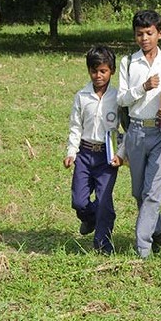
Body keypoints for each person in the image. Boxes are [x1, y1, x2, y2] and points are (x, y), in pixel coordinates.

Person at [117, 9, 161, 258]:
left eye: (149, 33)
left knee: (152, 192)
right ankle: (159, 224)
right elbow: (121, 98)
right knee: (139, 192)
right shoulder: (128, 63)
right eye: (139, 34)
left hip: (160, 133)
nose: (144, 38)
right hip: (135, 132)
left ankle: (143, 247)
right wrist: (143, 87)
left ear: (160, 33)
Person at [63, 46, 123, 255]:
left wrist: (121, 153)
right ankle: (90, 217)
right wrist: (71, 152)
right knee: (79, 201)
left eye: (103, 71)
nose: (98, 76)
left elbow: (125, 128)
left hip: (107, 156)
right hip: (85, 154)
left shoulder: (118, 98)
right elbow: (75, 126)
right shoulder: (82, 96)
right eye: (94, 70)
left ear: (112, 71)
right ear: (89, 70)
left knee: (104, 199)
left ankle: (103, 244)